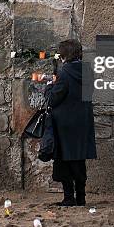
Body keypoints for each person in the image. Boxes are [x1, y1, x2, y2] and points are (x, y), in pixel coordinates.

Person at [45, 39, 96, 207]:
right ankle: (81, 197)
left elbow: (53, 99)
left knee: (64, 161)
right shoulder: (88, 70)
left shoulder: (65, 72)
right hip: (83, 122)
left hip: (65, 124)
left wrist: (49, 86)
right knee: (79, 160)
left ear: (65, 55)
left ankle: (69, 198)